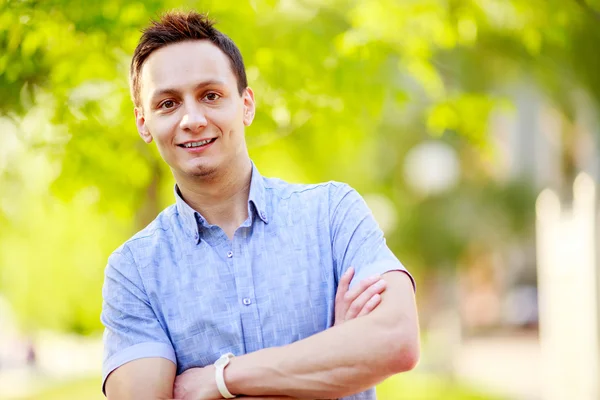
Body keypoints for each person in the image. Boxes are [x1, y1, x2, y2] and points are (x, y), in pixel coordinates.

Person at [101, 10, 419, 400]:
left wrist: (219, 381)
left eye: (210, 95)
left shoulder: (333, 212)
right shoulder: (134, 271)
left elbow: (397, 341)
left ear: (246, 104)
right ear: (143, 123)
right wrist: (332, 360)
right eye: (167, 104)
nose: (192, 118)